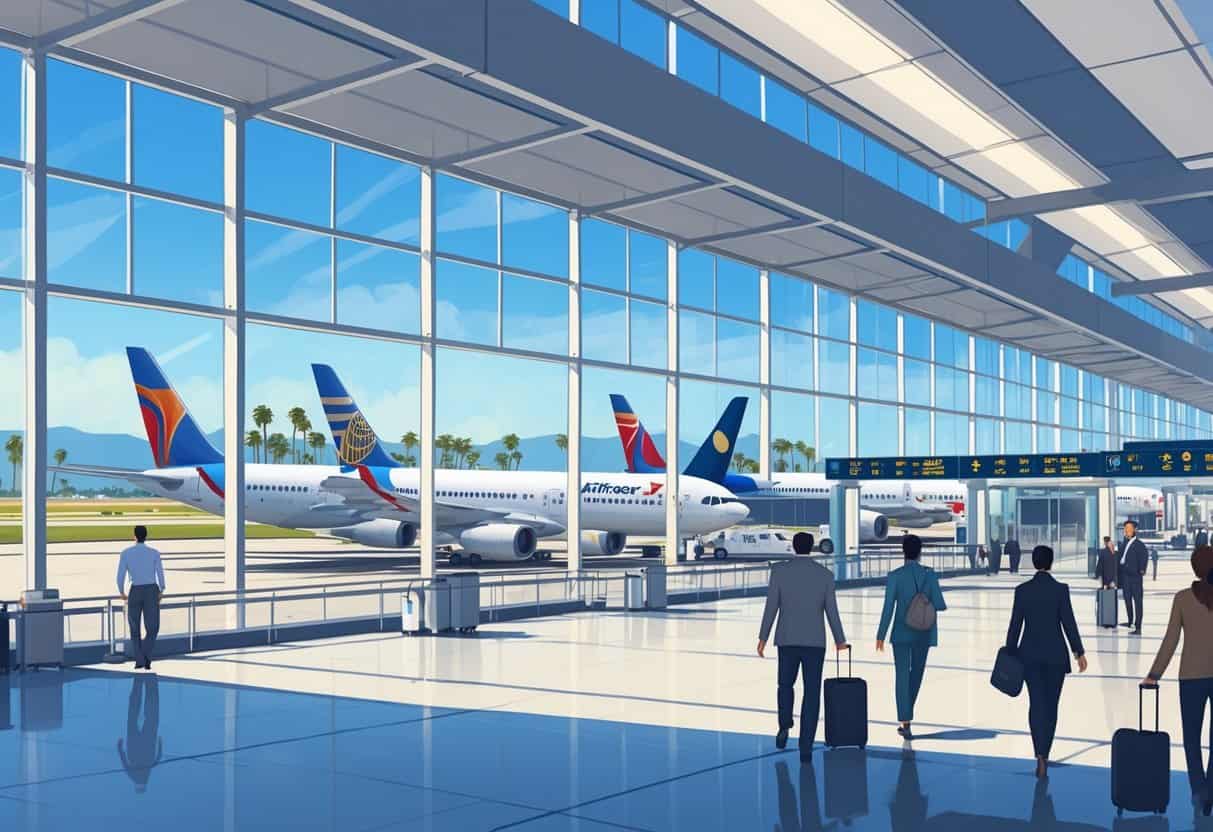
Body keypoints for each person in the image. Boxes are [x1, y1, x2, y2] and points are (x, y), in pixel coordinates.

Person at [758, 532, 848, 759]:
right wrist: (839, 640)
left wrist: (763, 637)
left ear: (793, 547)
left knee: (785, 685)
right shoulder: (825, 575)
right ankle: (806, 744)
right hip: (814, 642)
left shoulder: (779, 572)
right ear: (812, 547)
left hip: (786, 640)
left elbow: (771, 607)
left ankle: (784, 725)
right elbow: (832, 611)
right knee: (812, 691)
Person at [1005, 545, 1087, 779]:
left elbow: (1015, 625)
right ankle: (1046, 752)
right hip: (1055, 657)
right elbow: (1068, 622)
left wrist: (1010, 652)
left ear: (1033, 562)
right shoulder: (1060, 590)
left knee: (1036, 704)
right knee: (1051, 705)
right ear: (1050, 563)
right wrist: (1078, 652)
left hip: (1029, 656)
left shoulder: (1023, 590)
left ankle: (1038, 754)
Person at [1143, 545, 1213, 815]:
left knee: (1192, 737)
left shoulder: (1183, 598)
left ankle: (1199, 790)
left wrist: (1154, 674)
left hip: (1191, 677)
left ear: (1195, 568)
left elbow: (1170, 640)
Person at [876, 534, 946, 739]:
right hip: (924, 634)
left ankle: (904, 720)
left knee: (902, 676)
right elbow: (940, 604)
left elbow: (888, 607)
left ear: (903, 551)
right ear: (920, 552)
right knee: (916, 675)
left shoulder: (895, 576)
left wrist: (881, 635)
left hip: (901, 633)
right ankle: (908, 715)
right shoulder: (930, 575)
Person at [116, 525, 165, 670]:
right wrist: (161, 589)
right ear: (146, 536)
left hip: (135, 590)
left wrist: (121, 592)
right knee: (153, 627)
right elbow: (160, 574)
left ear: (134, 536)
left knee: (134, 627)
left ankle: (139, 659)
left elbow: (120, 576)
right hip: (151, 590)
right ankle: (147, 656)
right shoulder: (154, 553)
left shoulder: (126, 553)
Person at [118, 674, 163, 793]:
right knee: (134, 715)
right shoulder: (134, 775)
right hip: (136, 745)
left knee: (151, 715)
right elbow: (124, 761)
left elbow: (158, 758)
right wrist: (120, 747)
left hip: (146, 744)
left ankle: (149, 681)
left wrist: (160, 743)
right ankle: (139, 680)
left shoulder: (145, 772)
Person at [1119, 520, 1149, 634]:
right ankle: (1130, 621)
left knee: (1138, 602)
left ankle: (1138, 626)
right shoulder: (1124, 543)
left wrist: (1141, 570)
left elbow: (1144, 557)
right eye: (1125, 528)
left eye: (1129, 528)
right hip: (1126, 577)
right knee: (1127, 600)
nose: (1127, 530)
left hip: (1135, 577)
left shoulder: (1139, 544)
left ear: (1135, 530)